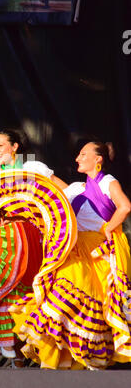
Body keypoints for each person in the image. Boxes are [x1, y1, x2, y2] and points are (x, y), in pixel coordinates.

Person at [9, 141, 131, 369]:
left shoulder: (107, 182)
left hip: (96, 254)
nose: (77, 158)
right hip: (72, 251)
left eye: (83, 154)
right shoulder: (75, 188)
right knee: (59, 300)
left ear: (98, 159)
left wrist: (107, 230)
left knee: (84, 303)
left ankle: (83, 360)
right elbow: (52, 206)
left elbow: (124, 207)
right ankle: (58, 360)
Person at [0, 128, 67, 367]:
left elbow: (64, 192)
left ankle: (29, 350)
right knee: (4, 286)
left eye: (1, 145)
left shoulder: (33, 169)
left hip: (31, 237)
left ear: (15, 147)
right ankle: (10, 343)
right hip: (4, 239)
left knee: (28, 293)